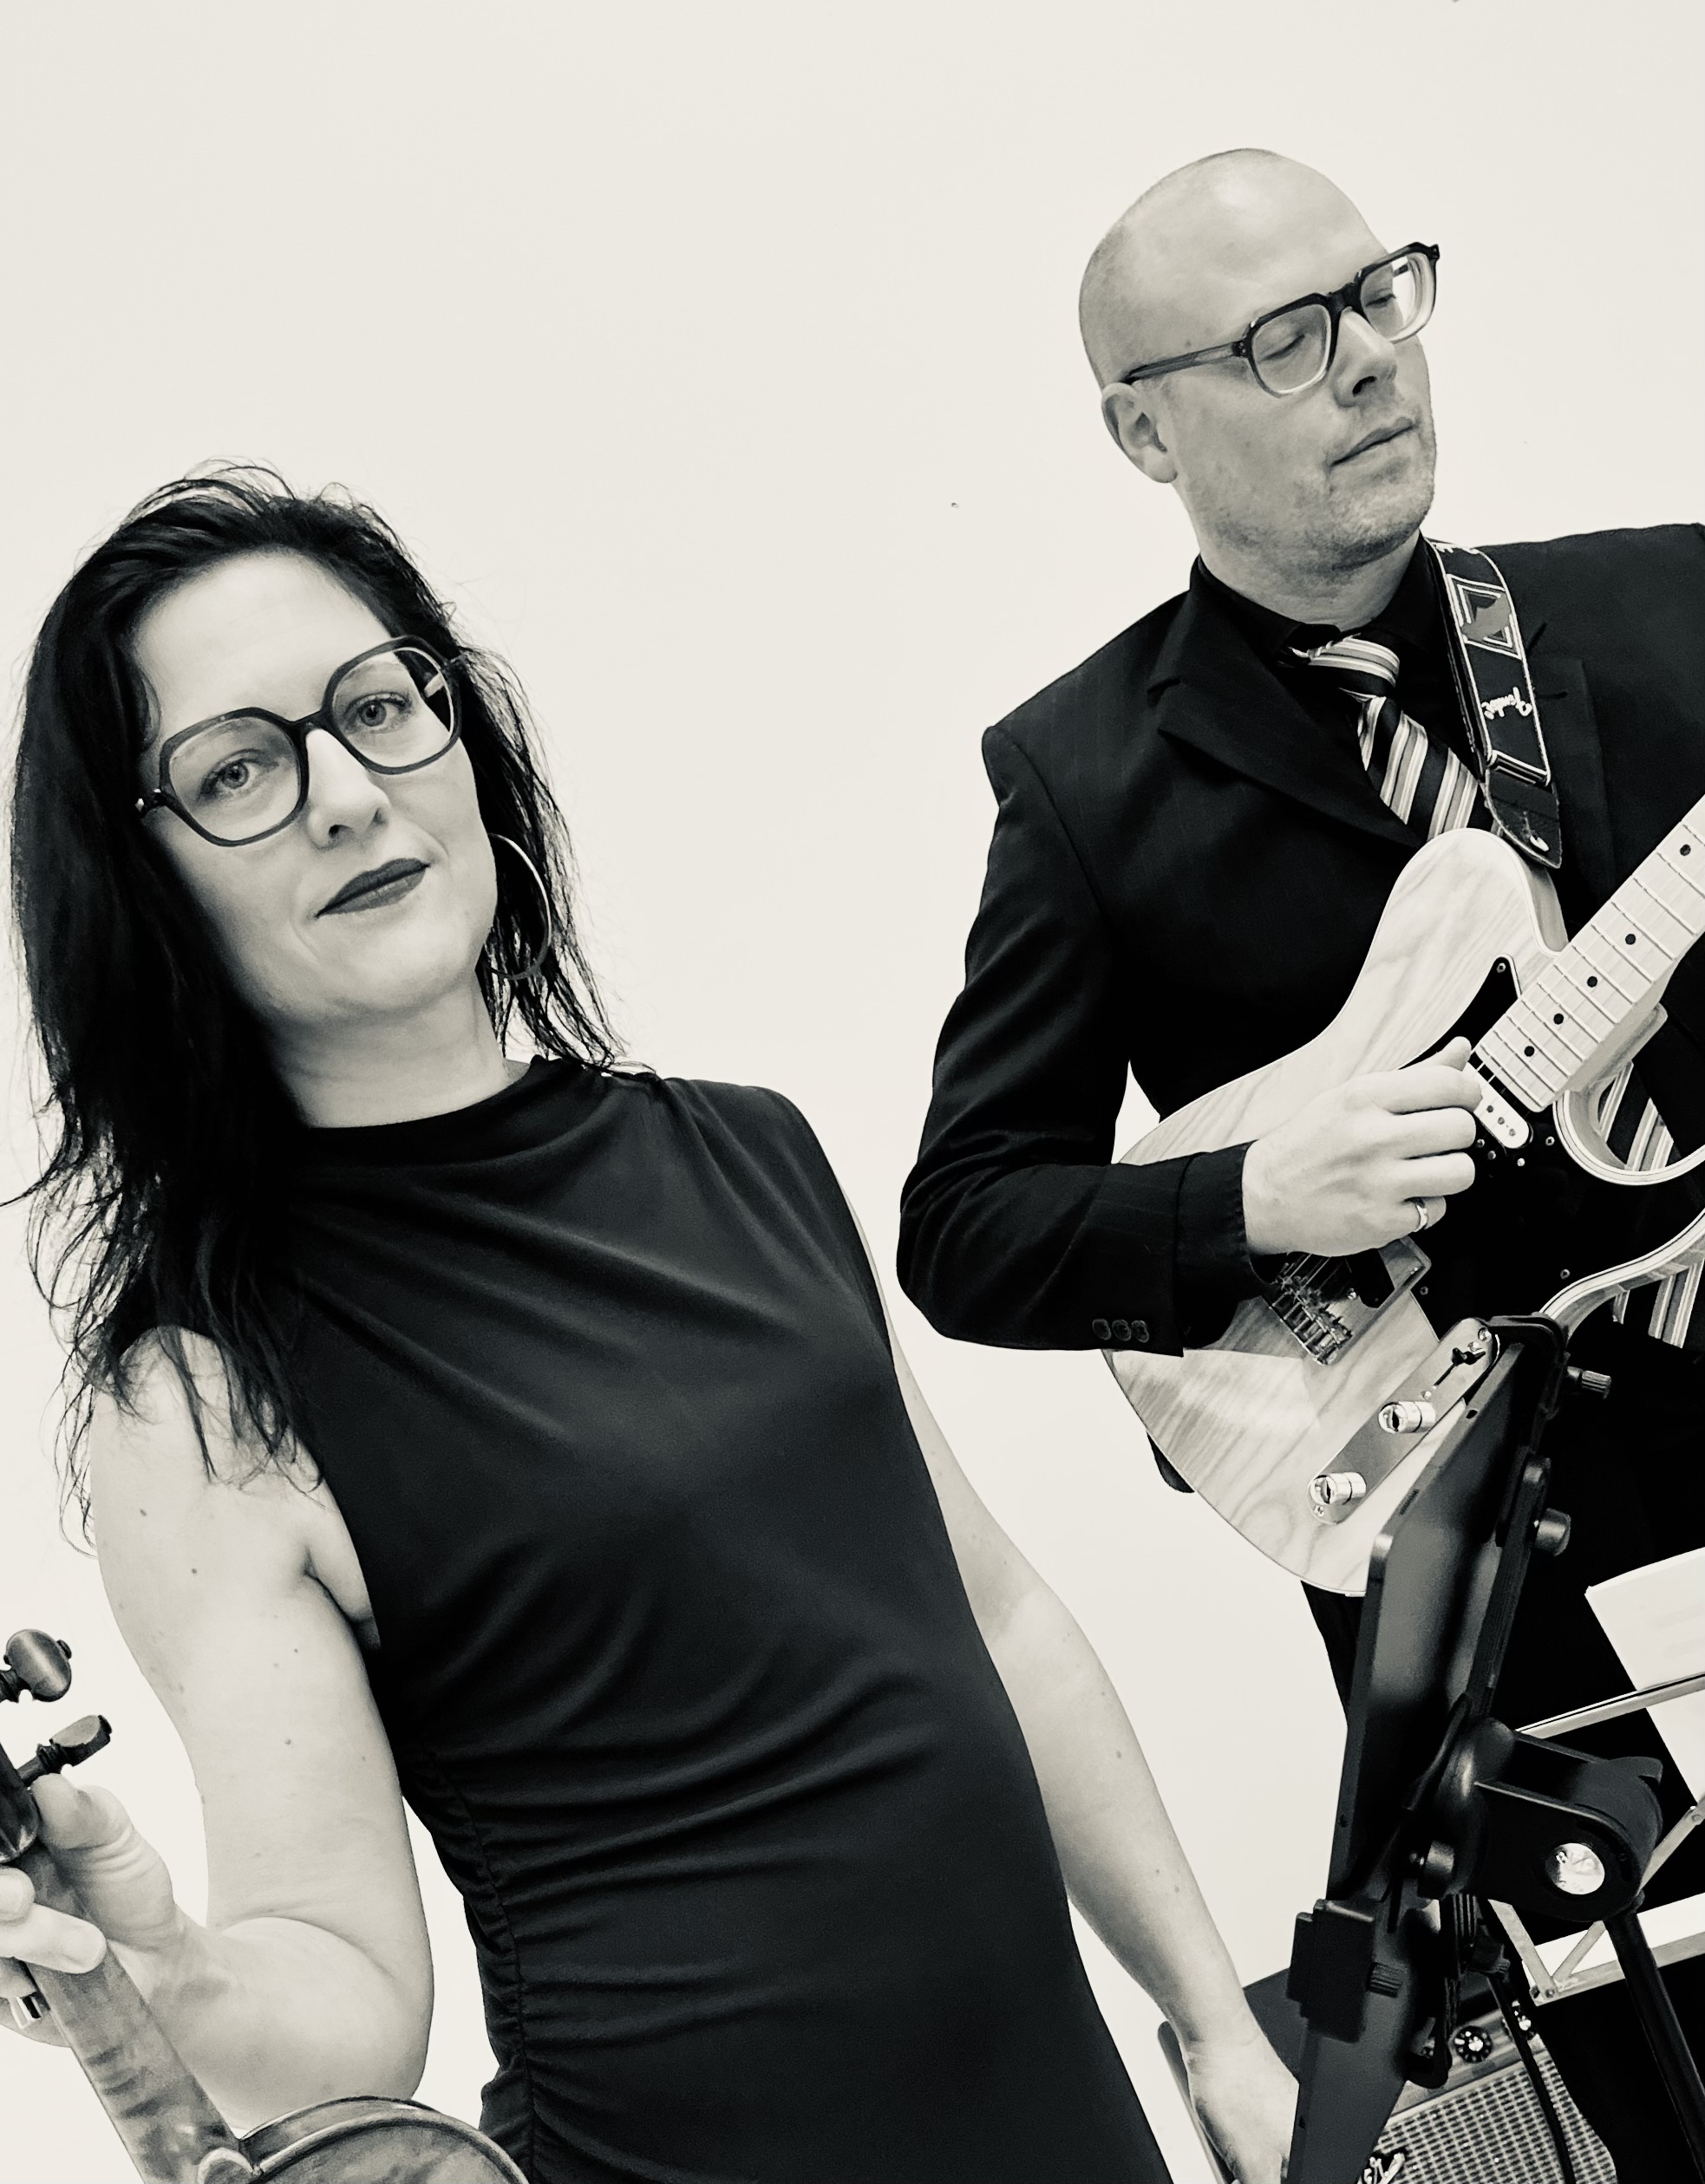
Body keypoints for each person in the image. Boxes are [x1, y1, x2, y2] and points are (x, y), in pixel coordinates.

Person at [0, 470, 1295, 2184]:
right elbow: (348, 2005)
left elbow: (995, 1618)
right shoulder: (201, 1393)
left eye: (378, 708)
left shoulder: (747, 1151)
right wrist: (156, 1965)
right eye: (237, 770)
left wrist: (1211, 2025)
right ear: (141, 877)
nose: (346, 796)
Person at [898, 148, 1705, 2173]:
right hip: (1485, 1600)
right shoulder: (1082, 781)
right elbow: (966, 1227)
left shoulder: (1665, 602)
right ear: (1141, 432)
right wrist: (1253, 1196)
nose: (1362, 361)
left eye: (1377, 295)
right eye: (1281, 338)